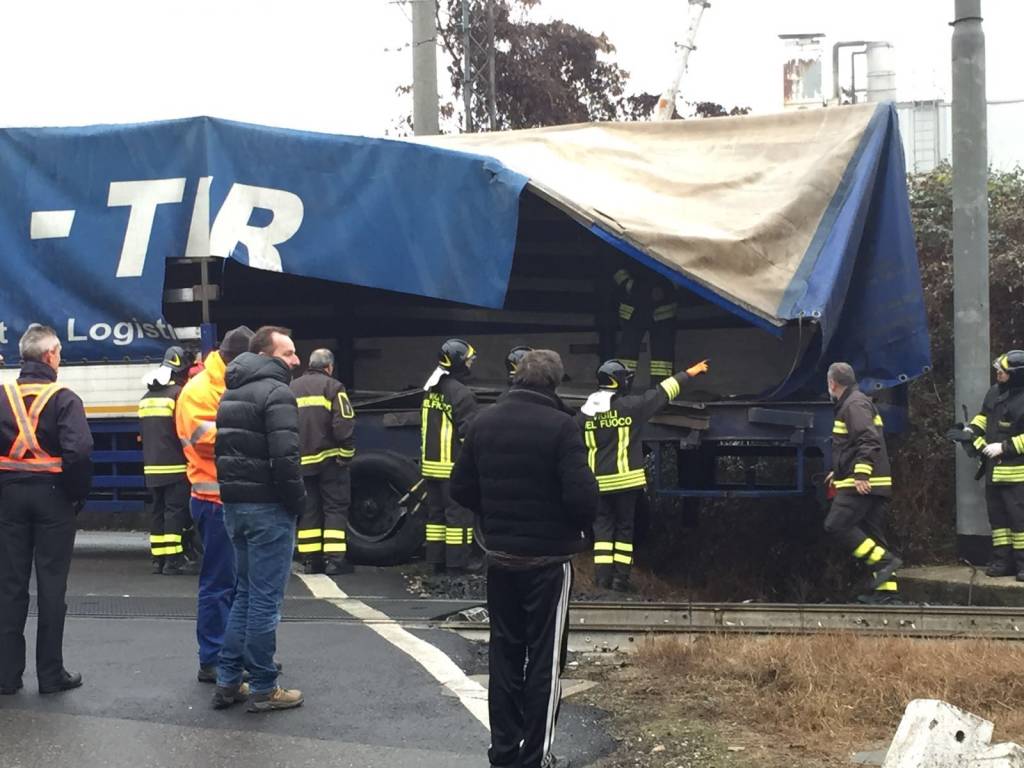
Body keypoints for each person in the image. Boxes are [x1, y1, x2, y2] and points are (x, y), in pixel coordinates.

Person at [451, 349, 598, 768]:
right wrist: (577, 530)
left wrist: (495, 515)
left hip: (499, 558)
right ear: (554, 383)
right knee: (545, 663)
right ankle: (535, 758)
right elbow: (582, 497)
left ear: (516, 379)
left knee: (505, 655)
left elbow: (460, 488)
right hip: (548, 562)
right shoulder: (562, 428)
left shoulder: (483, 422)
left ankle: (502, 754)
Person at [213, 325, 305, 712]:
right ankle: (265, 686)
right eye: (288, 353)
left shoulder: (231, 392)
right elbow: (285, 459)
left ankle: (229, 681)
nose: (296, 360)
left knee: (245, 596)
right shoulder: (277, 392)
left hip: (235, 507)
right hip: (269, 509)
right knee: (266, 601)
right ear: (267, 356)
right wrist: (297, 502)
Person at [0, 324, 92, 694]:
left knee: (9, 587)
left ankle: (6, 676)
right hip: (53, 498)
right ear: (51, 355)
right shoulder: (64, 398)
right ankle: (51, 676)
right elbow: (79, 452)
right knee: (52, 587)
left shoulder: (2, 396)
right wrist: (75, 495)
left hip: (9, 498)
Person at [576, 357, 709, 592]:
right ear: (618, 382)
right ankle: (620, 580)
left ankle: (602, 580)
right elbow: (662, 392)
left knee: (603, 532)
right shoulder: (631, 407)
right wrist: (690, 373)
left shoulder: (584, 415)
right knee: (625, 529)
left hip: (597, 485)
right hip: (627, 483)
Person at [175, 325, 253, 683]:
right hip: (213, 499)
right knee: (219, 584)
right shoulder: (200, 390)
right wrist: (251, 430)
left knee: (240, 585)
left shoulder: (229, 384)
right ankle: (212, 658)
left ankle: (236, 654)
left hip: (234, 497)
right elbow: (202, 439)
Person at [823, 362, 902, 603]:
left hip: (861, 484)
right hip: (868, 482)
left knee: (836, 525)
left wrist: (860, 475)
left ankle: (885, 562)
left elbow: (868, 440)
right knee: (873, 535)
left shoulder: (854, 404)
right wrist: (837, 472)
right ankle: (886, 593)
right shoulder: (856, 401)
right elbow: (853, 445)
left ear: (832, 383)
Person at [291, 349, 356, 575]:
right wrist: (346, 453)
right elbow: (344, 423)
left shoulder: (291, 388)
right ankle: (335, 561)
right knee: (335, 508)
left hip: (301, 462)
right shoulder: (334, 387)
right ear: (329, 367)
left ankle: (311, 561)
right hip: (330, 461)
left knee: (309, 509)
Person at [421, 338, 480, 574]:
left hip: (430, 466)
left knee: (435, 517)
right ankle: (457, 565)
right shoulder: (461, 394)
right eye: (469, 360)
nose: (471, 364)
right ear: (458, 363)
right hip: (452, 469)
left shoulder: (431, 389)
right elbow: (468, 435)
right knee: (458, 518)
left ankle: (435, 562)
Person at [963, 350, 1024, 578]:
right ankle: (1002, 562)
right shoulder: (995, 392)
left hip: (1018, 475)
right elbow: (984, 415)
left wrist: (1004, 447)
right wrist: (971, 430)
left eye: (1003, 371)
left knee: (1020, 523)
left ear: (1017, 375)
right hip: (994, 472)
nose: (998, 374)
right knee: (998, 523)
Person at [139, 345, 192, 575]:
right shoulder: (178, 395)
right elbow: (184, 430)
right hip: (176, 466)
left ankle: (157, 559)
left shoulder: (145, 398)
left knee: (157, 511)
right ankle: (173, 559)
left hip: (152, 468)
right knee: (174, 511)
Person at [612, 266, 678, 381]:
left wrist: (665, 288)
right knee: (627, 355)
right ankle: (621, 389)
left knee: (662, 360)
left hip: (662, 312)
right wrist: (633, 287)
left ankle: (661, 392)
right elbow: (614, 266)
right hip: (633, 310)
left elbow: (681, 275)